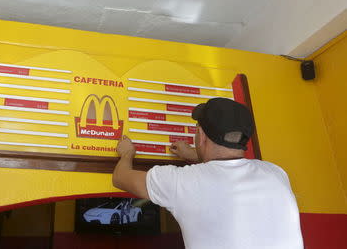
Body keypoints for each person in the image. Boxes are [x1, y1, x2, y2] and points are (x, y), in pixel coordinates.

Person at [112, 98, 303, 249]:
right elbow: (226, 168)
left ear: (201, 135)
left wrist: (127, 153)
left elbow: (120, 177)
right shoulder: (275, 173)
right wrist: (196, 155)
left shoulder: (182, 182)